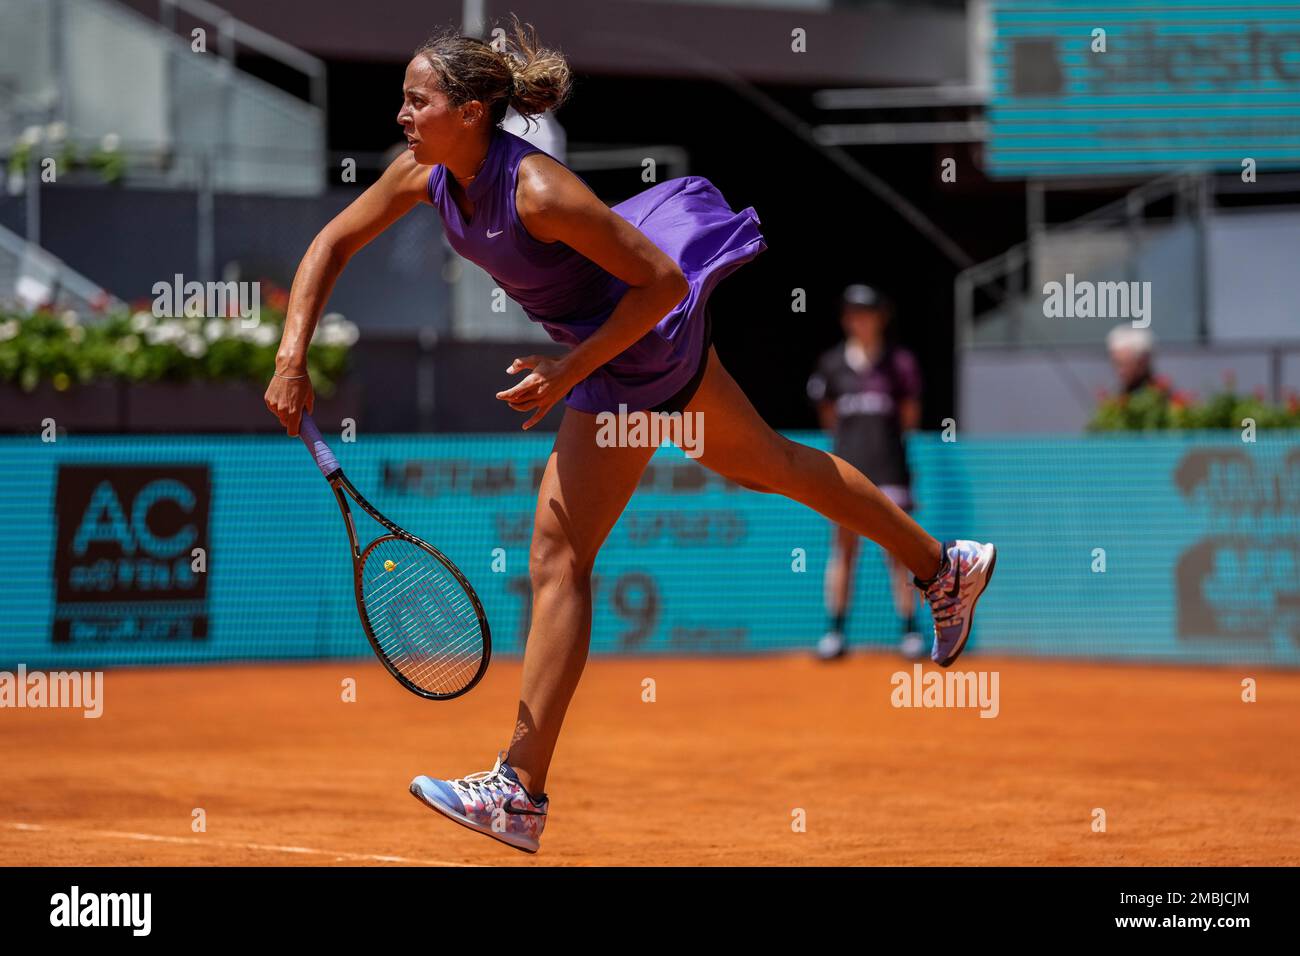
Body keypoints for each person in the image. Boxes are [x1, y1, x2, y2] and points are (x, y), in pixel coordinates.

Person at [263, 18, 997, 855]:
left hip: (634, 344)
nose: (401, 114)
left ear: (469, 112)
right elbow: (333, 241)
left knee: (558, 553)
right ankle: (945, 566)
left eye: (415, 100)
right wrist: (292, 357)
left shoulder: (536, 191)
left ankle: (518, 790)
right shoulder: (425, 176)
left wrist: (570, 372)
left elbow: (660, 284)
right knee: (767, 465)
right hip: (625, 349)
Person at [807, 285, 925, 661]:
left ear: (880, 318)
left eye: (867, 313)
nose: (859, 320)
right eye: (852, 314)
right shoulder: (831, 365)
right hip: (845, 472)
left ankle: (910, 634)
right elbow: (828, 418)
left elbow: (908, 417)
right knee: (843, 550)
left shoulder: (901, 364)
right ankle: (835, 633)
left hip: (890, 469)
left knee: (899, 551)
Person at [1106, 325, 1155, 395]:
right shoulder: (1115, 399)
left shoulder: (1159, 399)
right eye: (1116, 363)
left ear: (1142, 362)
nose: (1120, 371)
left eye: (1125, 364)